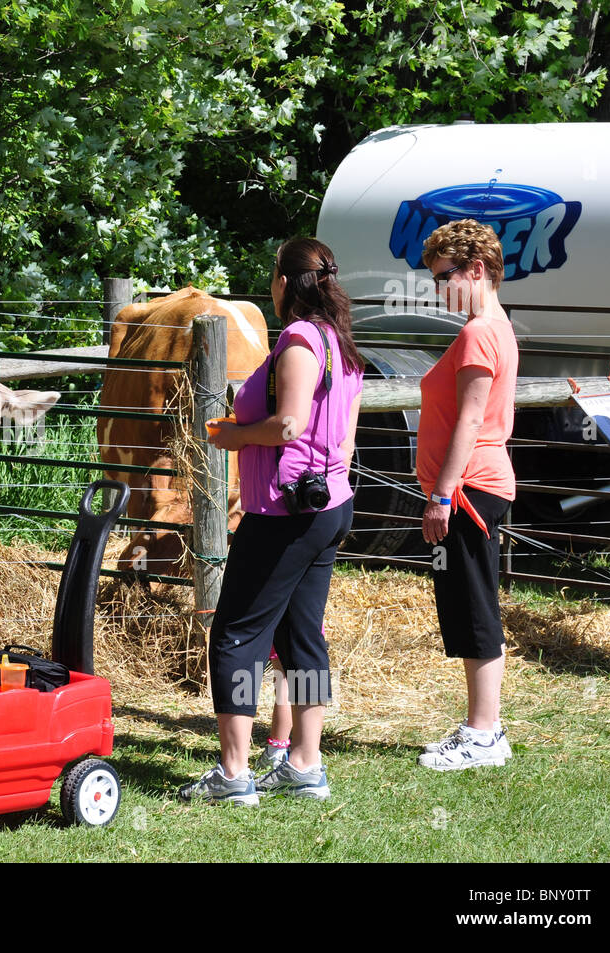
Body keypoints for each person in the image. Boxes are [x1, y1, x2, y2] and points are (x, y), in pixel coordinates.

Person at [180, 238, 363, 805]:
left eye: (272, 275)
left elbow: (287, 426)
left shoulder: (300, 343)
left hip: (282, 514)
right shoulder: (343, 345)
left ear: (286, 282)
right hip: (327, 506)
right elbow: (345, 437)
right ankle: (305, 764)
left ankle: (234, 775)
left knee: (237, 633)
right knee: (302, 635)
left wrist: (233, 436)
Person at [415, 219, 517, 770]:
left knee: (474, 609)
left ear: (475, 270)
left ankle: (484, 734)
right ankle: (482, 728)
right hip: (474, 485)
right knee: (468, 604)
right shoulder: (492, 326)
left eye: (443, 276)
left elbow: (472, 422)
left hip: (471, 487)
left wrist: (441, 494)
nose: (437, 288)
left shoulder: (480, 331)